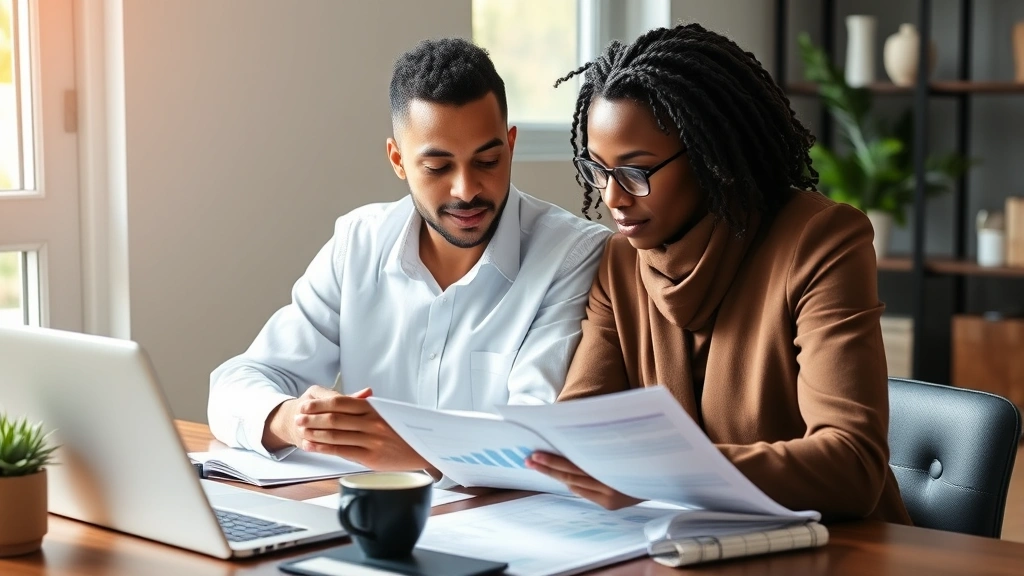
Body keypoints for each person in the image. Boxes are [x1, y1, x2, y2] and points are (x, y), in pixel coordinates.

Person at [524, 23, 911, 524]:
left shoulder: (822, 241)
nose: (612, 197)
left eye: (636, 172)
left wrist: (655, 473)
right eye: (597, 170)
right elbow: (580, 432)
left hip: (838, 550)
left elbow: (852, 466)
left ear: (708, 156)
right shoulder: (621, 265)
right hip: (690, 545)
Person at [208, 38, 610, 475]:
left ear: (510, 145)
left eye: (488, 160)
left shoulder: (572, 255)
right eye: (438, 167)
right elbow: (236, 383)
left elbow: (538, 436)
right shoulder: (358, 243)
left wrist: (414, 449)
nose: (466, 189)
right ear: (398, 160)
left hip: (498, 526)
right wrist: (293, 419)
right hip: (371, 521)